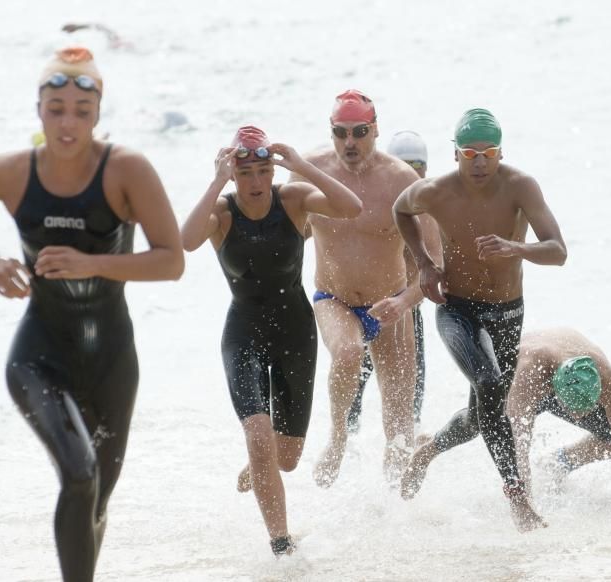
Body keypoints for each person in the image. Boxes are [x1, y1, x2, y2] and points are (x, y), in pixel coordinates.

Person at [0, 47, 184, 581]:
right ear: (39, 109)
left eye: (80, 110)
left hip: (111, 359)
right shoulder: (6, 173)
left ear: (97, 115)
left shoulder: (127, 170)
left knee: (94, 500)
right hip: (39, 356)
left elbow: (171, 262)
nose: (67, 122)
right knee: (78, 475)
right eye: (56, 108)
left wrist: (90, 262)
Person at [180, 126, 361, 555]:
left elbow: (352, 207)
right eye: (246, 174)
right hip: (243, 335)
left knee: (287, 458)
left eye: (264, 171)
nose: (256, 182)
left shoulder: (294, 200)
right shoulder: (221, 214)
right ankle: (281, 543)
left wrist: (300, 167)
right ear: (233, 176)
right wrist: (215, 180)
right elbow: (185, 241)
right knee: (259, 434)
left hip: (295, 335)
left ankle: (259, 463)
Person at [393, 107, 567, 532]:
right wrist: (424, 265)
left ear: (500, 152)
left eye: (488, 153)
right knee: (488, 385)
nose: (479, 162)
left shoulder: (521, 186)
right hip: (457, 308)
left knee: (482, 413)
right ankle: (517, 499)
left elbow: (558, 251)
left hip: (507, 310)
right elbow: (401, 211)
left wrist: (516, 248)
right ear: (455, 154)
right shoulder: (435, 191)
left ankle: (428, 451)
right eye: (470, 154)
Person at [291, 90, 439, 487]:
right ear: (332, 131)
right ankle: (338, 438)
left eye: (359, 132)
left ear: (375, 130)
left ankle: (397, 518)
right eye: (341, 133)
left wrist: (404, 301)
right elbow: (285, 238)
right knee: (348, 351)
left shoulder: (401, 181)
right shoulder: (309, 170)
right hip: (333, 298)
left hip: (389, 306)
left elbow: (435, 265)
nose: (350, 142)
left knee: (400, 430)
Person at [346, 130, 438, 434]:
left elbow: (440, 267)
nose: (410, 174)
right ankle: (348, 446)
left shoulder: (430, 210)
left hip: (406, 312)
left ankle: (404, 453)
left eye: (417, 166)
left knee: (410, 400)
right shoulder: (375, 207)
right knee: (352, 395)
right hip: (367, 309)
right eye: (403, 165)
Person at [504, 328, 611, 498]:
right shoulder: (526, 378)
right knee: (485, 427)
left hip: (564, 372)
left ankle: (559, 461)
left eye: (584, 410)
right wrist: (524, 506)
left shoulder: (606, 377)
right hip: (522, 379)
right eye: (573, 411)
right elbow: (517, 451)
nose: (577, 418)